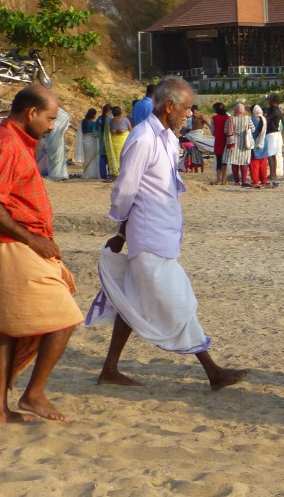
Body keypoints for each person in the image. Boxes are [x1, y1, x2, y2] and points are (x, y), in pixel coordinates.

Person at [86, 76, 249, 390]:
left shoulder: (169, 138)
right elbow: (125, 190)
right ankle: (213, 372)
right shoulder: (143, 138)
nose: (189, 114)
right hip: (148, 239)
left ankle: (109, 369)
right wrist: (120, 230)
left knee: (132, 301)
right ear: (170, 106)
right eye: (186, 108)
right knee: (179, 302)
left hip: (162, 234)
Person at [0, 85, 82, 425]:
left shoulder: (10, 140)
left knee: (7, 328)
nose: (51, 126)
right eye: (49, 118)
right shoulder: (6, 144)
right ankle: (33, 393)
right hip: (12, 245)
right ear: (31, 112)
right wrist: (33, 239)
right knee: (64, 316)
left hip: (8, 244)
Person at [36, 104, 70, 181]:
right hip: (54, 140)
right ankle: (57, 174)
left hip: (53, 140)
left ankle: (58, 174)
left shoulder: (53, 121)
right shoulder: (57, 122)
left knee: (56, 158)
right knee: (56, 158)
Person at [225, 102, 254, 186]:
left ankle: (236, 181)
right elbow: (253, 129)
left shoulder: (230, 118)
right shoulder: (247, 119)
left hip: (233, 142)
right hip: (244, 143)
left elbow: (226, 130)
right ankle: (244, 181)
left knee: (234, 163)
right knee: (243, 163)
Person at [265, 95, 284, 188]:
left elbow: (267, 119)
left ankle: (273, 174)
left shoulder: (274, 110)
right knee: (273, 155)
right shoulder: (277, 110)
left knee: (270, 155)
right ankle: (273, 173)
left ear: (273, 101)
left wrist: (264, 116)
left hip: (271, 133)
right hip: (275, 133)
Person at [249, 104, 269, 188]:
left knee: (254, 164)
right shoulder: (264, 119)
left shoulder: (252, 120)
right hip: (264, 143)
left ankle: (255, 181)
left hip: (255, 143)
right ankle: (264, 180)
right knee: (263, 163)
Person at [108, 105, 131, 177]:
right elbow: (130, 129)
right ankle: (124, 173)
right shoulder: (125, 119)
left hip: (114, 141)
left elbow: (110, 131)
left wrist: (116, 131)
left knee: (116, 157)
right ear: (120, 112)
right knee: (124, 156)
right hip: (123, 141)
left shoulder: (110, 121)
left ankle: (116, 173)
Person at [211, 102, 230, 186]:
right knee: (224, 161)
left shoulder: (214, 118)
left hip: (218, 140)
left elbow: (212, 132)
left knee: (218, 160)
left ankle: (218, 179)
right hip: (226, 140)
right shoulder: (228, 118)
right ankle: (224, 180)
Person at [80, 108, 100, 180]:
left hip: (84, 140)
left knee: (86, 157)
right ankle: (91, 173)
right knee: (92, 158)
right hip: (91, 141)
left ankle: (86, 172)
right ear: (93, 115)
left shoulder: (83, 122)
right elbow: (95, 133)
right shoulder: (93, 124)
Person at [98, 103, 114, 180]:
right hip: (109, 138)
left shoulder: (100, 118)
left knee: (102, 157)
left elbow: (96, 130)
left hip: (101, 139)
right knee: (110, 157)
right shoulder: (111, 118)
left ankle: (102, 174)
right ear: (110, 110)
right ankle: (110, 174)